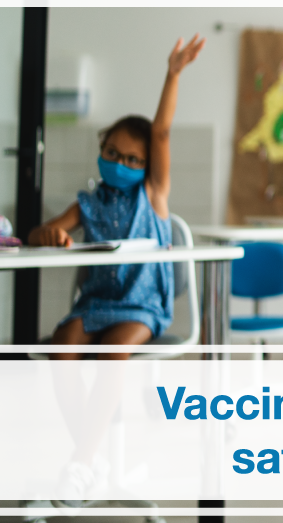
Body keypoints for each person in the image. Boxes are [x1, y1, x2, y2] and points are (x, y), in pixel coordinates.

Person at [27, 34, 205, 504]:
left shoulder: (153, 196)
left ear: (147, 166)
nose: (121, 163)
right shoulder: (86, 203)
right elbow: (43, 232)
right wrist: (50, 235)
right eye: (113, 154)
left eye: (133, 159)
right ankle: (91, 456)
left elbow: (162, 131)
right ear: (100, 149)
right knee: (61, 349)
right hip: (96, 302)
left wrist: (173, 74)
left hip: (140, 306)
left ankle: (81, 463)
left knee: (112, 352)